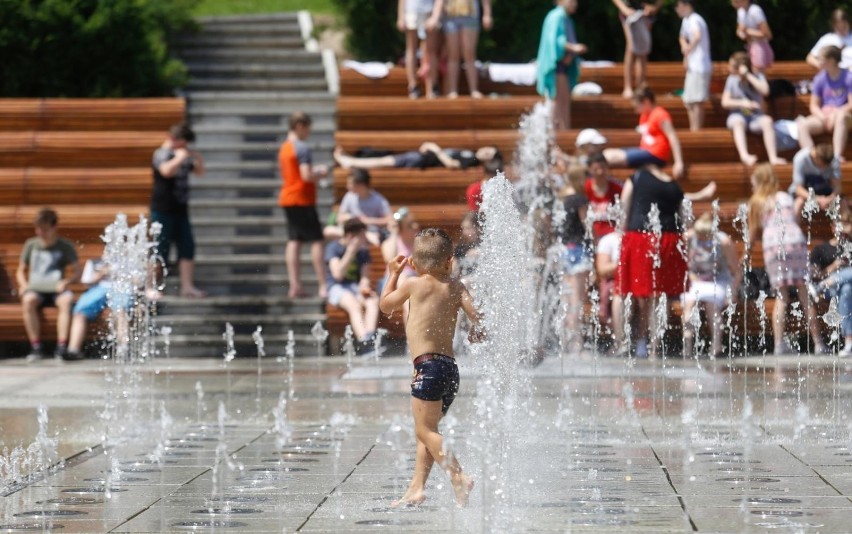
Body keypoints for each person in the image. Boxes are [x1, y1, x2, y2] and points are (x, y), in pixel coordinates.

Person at [379, 227, 483, 508]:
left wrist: (393, 275)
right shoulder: (457, 285)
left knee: (425, 431)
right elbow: (478, 319)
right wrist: (476, 332)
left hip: (427, 368)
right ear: (450, 261)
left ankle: (458, 475)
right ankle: (416, 488)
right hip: (450, 370)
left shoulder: (414, 283)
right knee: (429, 430)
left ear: (413, 263)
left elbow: (385, 304)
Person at [746, 164, 824, 355]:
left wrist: (746, 254)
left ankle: (779, 344)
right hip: (795, 244)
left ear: (759, 181)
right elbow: (794, 221)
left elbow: (752, 232)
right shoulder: (784, 196)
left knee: (782, 296)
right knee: (804, 294)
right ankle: (819, 344)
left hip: (774, 247)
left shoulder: (757, 202)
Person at [616, 165, 687, 358]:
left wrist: (621, 236)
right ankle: (655, 347)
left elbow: (624, 208)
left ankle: (624, 343)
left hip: (639, 238)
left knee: (626, 291)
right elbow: (683, 217)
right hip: (671, 240)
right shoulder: (674, 185)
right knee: (659, 295)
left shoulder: (637, 178)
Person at [16, 208, 81, 361]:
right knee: (28, 300)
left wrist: (67, 281)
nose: (40, 233)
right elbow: (21, 270)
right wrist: (23, 285)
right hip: (36, 288)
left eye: (44, 229)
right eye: (38, 229)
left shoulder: (65, 246)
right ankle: (36, 346)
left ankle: (61, 346)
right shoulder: (31, 244)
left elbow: (77, 271)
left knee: (66, 301)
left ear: (54, 227)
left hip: (56, 288)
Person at [150, 123, 206, 298]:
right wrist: (180, 158)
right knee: (159, 248)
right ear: (174, 140)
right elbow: (166, 171)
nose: (186, 147)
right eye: (183, 143)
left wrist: (197, 159)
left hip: (181, 209)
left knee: (187, 246)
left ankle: (187, 286)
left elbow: (199, 172)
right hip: (162, 209)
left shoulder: (183, 153)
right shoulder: (161, 153)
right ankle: (152, 286)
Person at [279, 112, 329, 299]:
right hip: (302, 198)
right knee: (316, 240)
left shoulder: (285, 147)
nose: (308, 132)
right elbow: (306, 175)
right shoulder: (302, 148)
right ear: (300, 126)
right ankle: (323, 285)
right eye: (307, 127)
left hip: (288, 197)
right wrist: (321, 173)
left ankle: (295, 285)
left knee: (295, 241)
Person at [682, 212, 739, 358]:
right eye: (698, 235)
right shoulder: (690, 238)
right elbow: (684, 266)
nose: (701, 238)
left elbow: (737, 271)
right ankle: (687, 346)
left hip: (718, 281)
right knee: (690, 304)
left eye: (704, 235)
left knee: (711, 303)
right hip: (696, 281)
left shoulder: (723, 242)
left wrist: (733, 292)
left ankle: (716, 346)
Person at [603, 87, 686, 180]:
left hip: (656, 154)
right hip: (645, 151)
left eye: (637, 106)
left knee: (610, 157)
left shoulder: (660, 114)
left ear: (646, 102)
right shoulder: (645, 115)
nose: (635, 110)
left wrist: (679, 162)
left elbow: (672, 137)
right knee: (607, 153)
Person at [721, 51, 785, 167]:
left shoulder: (758, 76)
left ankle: (773, 157)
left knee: (767, 121)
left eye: (732, 66)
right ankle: (744, 155)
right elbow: (725, 102)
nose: (728, 68)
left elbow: (765, 91)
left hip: (755, 117)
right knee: (738, 122)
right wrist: (742, 103)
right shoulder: (731, 80)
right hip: (739, 115)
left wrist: (747, 75)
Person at [325, 219, 380, 353]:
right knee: (353, 305)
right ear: (350, 236)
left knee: (372, 300)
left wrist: (364, 286)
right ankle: (364, 343)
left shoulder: (363, 251)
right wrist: (350, 251)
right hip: (336, 287)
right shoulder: (334, 248)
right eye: (361, 236)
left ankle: (369, 338)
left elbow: (364, 276)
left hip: (354, 287)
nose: (364, 239)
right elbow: (337, 274)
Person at [536, 0, 587, 130]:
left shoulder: (566, 18)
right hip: (556, 66)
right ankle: (555, 137)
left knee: (563, 102)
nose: (575, 3)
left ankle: (564, 135)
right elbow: (557, 41)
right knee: (557, 102)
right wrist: (574, 48)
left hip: (562, 67)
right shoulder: (556, 16)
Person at [796, 46, 852, 161]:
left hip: (843, 116)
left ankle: (836, 157)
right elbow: (814, 105)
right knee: (802, 125)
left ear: (831, 60)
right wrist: (823, 117)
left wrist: (836, 113)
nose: (818, 61)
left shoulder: (848, 77)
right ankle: (812, 158)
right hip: (824, 118)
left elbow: (851, 105)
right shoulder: (819, 78)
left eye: (821, 59)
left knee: (841, 117)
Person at [559, 164, 593, 353]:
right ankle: (577, 345)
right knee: (577, 300)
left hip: (564, 250)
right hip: (579, 250)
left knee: (566, 300)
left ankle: (565, 344)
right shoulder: (580, 199)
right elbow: (586, 225)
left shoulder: (561, 197)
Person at [811, 215, 852, 356]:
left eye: (845, 225)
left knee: (847, 289)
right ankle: (848, 343)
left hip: (844, 289)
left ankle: (849, 343)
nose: (842, 229)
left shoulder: (850, 245)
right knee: (846, 288)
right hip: (831, 291)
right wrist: (834, 266)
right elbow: (815, 275)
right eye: (839, 225)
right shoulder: (821, 249)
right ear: (833, 227)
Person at [612, 0, 664, 99]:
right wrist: (624, 8)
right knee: (631, 47)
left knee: (643, 51)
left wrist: (654, 7)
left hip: (645, 12)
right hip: (629, 11)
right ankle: (628, 87)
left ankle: (640, 88)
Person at [441, 0, 492, 99]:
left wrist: (487, 14)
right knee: (453, 54)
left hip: (470, 14)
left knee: (469, 53)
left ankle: (474, 90)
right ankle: (452, 90)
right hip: (450, 16)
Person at [676, 0, 711, 132]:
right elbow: (682, 37)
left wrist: (688, 49)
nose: (677, 9)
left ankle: (696, 131)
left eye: (678, 6)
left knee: (697, 101)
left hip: (700, 66)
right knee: (689, 100)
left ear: (687, 5)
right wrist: (685, 50)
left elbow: (697, 35)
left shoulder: (696, 19)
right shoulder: (686, 20)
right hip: (693, 67)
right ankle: (693, 129)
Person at [334, 144, 501, 172]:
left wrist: (435, 148)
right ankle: (351, 161)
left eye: (489, 154)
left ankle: (350, 162)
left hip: (422, 160)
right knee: (385, 157)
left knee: (385, 161)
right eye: (488, 149)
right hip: (422, 157)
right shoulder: (470, 154)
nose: (485, 151)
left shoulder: (471, 161)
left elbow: (451, 164)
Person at [397, 0, 442, 99]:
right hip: (411, 10)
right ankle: (413, 86)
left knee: (432, 50)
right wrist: (401, 16)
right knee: (411, 48)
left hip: (429, 10)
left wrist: (435, 16)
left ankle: (433, 87)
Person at [337, 169, 392, 245]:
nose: (347, 186)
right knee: (328, 231)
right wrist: (353, 218)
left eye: (350, 183)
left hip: (369, 232)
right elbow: (340, 217)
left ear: (361, 185)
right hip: (350, 231)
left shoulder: (378, 200)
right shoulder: (349, 196)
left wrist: (368, 221)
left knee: (374, 240)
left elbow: (390, 219)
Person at [789, 143, 843, 218]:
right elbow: (798, 189)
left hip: (826, 194)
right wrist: (817, 199)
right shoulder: (800, 159)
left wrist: (831, 198)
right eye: (821, 165)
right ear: (815, 156)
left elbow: (837, 186)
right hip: (805, 195)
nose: (823, 169)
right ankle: (794, 228)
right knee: (799, 203)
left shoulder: (834, 160)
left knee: (843, 204)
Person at [584, 151, 623, 242]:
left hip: (611, 234)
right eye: (596, 169)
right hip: (590, 234)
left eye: (603, 167)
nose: (600, 172)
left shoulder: (617, 188)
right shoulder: (585, 188)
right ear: (589, 170)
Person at [596, 230, 622, 344]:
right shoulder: (608, 240)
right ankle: (619, 342)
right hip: (614, 283)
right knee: (619, 295)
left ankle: (641, 340)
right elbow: (602, 269)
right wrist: (624, 263)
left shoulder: (639, 237)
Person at [732, 0, 774, 72]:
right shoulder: (741, 12)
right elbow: (739, 30)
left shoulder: (755, 11)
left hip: (760, 47)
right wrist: (741, 34)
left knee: (758, 75)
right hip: (750, 47)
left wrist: (748, 31)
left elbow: (768, 34)